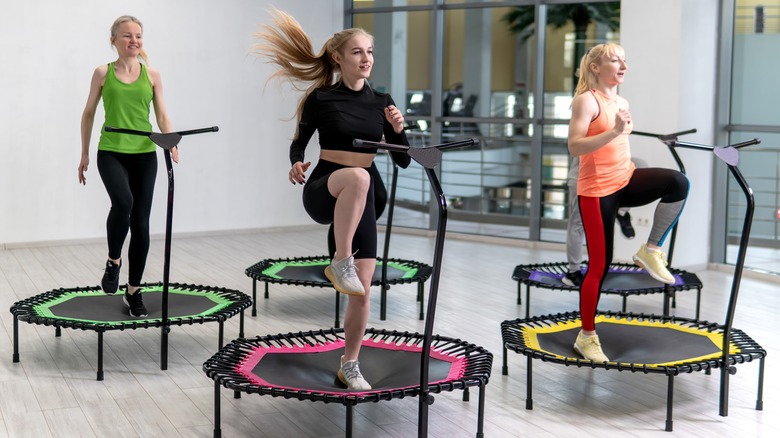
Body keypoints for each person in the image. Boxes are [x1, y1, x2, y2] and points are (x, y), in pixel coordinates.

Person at [255, 10, 410, 390]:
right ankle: (340, 260)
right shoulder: (321, 97)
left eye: (370, 51)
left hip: (365, 199)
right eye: (357, 52)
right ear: (339, 58)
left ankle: (350, 364)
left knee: (363, 290)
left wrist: (399, 130)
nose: (366, 58)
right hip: (326, 187)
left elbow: (403, 160)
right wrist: (295, 163)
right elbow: (298, 142)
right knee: (357, 176)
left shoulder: (383, 101)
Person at [567, 43, 688, 363]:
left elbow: (619, 141)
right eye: (615, 60)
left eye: (624, 60)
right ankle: (587, 336)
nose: (623, 66)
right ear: (595, 68)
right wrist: (615, 131)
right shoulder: (586, 101)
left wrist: (621, 131)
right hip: (596, 192)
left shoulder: (621, 100)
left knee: (677, 182)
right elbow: (575, 147)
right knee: (600, 265)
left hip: (625, 178)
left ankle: (650, 249)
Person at [78, 15, 176, 318]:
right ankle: (114, 260)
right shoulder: (102, 73)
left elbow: (161, 114)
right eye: (126, 36)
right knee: (124, 202)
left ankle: (133, 291)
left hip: (145, 154)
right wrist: (84, 154)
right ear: (114, 41)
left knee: (141, 224)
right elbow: (89, 113)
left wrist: (170, 140)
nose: (134, 41)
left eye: (138, 36)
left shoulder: (153, 75)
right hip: (112, 151)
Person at [562, 155, 643, 287]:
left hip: (607, 178)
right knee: (578, 225)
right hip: (583, 179)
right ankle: (573, 272)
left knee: (641, 164)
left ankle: (621, 211)